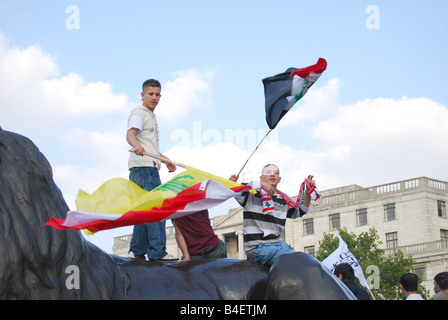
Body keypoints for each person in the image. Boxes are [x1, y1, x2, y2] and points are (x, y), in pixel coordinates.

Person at [126, 79, 178, 261]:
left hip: (145, 167)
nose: (154, 98)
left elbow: (150, 147)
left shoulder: (150, 115)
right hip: (145, 170)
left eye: (157, 95)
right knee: (157, 207)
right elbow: (130, 134)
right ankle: (157, 252)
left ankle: (136, 250)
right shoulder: (139, 113)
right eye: (150, 94)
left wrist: (165, 160)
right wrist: (136, 145)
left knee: (144, 210)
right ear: (142, 95)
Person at [229, 164, 314, 266]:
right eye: (268, 172)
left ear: (279, 179)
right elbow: (234, 189)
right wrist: (260, 185)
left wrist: (309, 193)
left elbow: (301, 211)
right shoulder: (251, 193)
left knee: (303, 260)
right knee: (293, 261)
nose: (272, 174)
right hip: (257, 247)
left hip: (279, 245)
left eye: (276, 173)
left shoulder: (283, 199)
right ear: (261, 178)